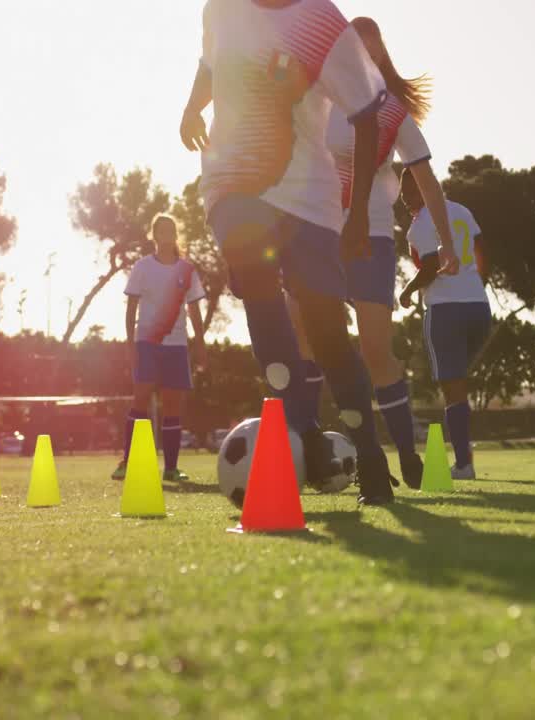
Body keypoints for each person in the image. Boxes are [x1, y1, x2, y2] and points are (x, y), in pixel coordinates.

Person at [180, 0, 396, 505]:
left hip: (309, 198)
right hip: (233, 183)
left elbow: (366, 115)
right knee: (255, 276)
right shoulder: (221, 9)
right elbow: (210, 62)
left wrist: (359, 211)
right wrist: (194, 105)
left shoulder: (322, 22)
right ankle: (301, 424)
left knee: (326, 332)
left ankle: (368, 453)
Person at [290, 15, 459, 489]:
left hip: (372, 239)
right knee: (302, 332)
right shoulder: (317, 99)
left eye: (372, 49)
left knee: (374, 351)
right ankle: (309, 445)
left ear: (381, 55)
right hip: (318, 234)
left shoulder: (392, 114)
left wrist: (445, 240)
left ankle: (405, 454)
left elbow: (426, 181)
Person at [399, 171, 491, 479]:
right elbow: (481, 253)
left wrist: (407, 290)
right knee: (460, 386)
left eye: (408, 194)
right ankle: (465, 458)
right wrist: (477, 286)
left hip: (445, 311)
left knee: (453, 391)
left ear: (422, 191)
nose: (406, 201)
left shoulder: (422, 223)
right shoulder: (462, 210)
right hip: (478, 308)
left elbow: (428, 267)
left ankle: (464, 464)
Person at [113, 214, 207, 482]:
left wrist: (200, 345)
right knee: (141, 398)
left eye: (170, 230)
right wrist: (130, 346)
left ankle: (171, 468)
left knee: (172, 406)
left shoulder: (186, 270)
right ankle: (127, 462)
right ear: (153, 235)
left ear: (175, 234)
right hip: (147, 343)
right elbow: (131, 309)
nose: (166, 234)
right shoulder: (142, 267)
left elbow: (195, 310)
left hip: (177, 345)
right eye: (161, 230)